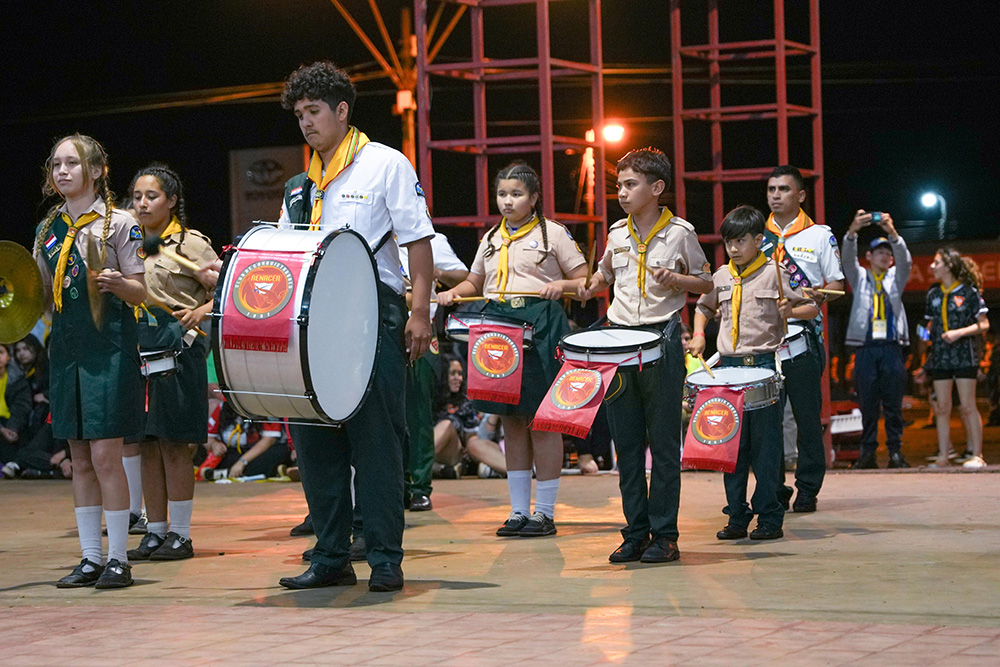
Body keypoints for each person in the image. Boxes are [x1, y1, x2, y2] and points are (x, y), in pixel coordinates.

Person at [276, 61, 434, 593]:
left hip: (373, 315)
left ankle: (386, 558)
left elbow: (418, 242)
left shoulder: (384, 164)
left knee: (376, 442)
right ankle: (330, 557)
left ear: (342, 110)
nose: (306, 122)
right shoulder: (300, 186)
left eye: (313, 111)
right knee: (315, 440)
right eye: (299, 114)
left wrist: (419, 314)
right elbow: (286, 254)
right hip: (311, 324)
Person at [437, 161, 588, 538]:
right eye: (502, 194)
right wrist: (454, 293)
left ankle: (545, 513)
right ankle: (519, 511)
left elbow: (585, 280)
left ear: (534, 198)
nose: (507, 201)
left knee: (543, 421)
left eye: (516, 194)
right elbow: (475, 282)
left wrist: (561, 287)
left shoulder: (554, 234)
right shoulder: (491, 237)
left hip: (541, 326)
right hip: (497, 329)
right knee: (511, 420)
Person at [578, 147, 712, 563]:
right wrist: (591, 283)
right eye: (619, 185)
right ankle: (635, 533)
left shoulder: (681, 233)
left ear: (656, 188)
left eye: (630, 184)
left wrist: (678, 279)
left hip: (661, 339)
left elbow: (706, 283)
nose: (621, 192)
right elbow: (605, 274)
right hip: (619, 341)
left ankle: (665, 535)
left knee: (664, 442)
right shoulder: (617, 233)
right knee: (627, 441)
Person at [33, 134, 146, 588]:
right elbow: (43, 295)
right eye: (56, 164)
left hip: (109, 348)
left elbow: (141, 290)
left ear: (97, 171)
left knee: (104, 456)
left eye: (72, 163)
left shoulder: (120, 223)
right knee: (78, 458)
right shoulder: (48, 229)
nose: (62, 171)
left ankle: (119, 559)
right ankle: (90, 558)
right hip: (66, 350)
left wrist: (119, 284)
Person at [690, 205, 818, 541]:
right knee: (730, 449)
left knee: (765, 450)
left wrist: (792, 310)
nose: (733, 248)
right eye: (728, 242)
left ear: (759, 240)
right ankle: (736, 516)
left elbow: (811, 306)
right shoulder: (721, 276)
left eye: (740, 241)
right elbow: (703, 307)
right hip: (728, 370)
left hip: (761, 367)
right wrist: (699, 333)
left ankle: (769, 517)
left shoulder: (776, 273)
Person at [126, 164, 218, 562]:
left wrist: (200, 313)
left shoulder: (192, 245)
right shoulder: (129, 243)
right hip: (138, 350)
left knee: (175, 444)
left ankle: (180, 535)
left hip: (180, 351)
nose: (143, 204)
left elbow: (232, 290)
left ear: (172, 201)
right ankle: (155, 531)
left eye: (152, 196)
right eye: (137, 197)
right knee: (146, 444)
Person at [762, 165, 844, 513]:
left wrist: (819, 293)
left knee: (807, 419)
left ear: (801, 195)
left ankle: (808, 487)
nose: (775, 196)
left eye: (783, 189)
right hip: (764, 341)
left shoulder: (819, 235)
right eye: (771, 189)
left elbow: (837, 284)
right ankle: (773, 488)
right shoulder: (756, 235)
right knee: (767, 422)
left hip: (802, 336)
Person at [399, 232, 469, 511]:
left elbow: (465, 277)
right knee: (385, 415)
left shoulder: (431, 239)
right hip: (381, 331)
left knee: (419, 415)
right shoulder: (372, 234)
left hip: (420, 334)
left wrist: (435, 272)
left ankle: (419, 486)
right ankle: (394, 485)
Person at [842, 212, 912, 469]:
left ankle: (895, 452)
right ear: (869, 256)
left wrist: (892, 233)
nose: (885, 256)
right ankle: (867, 453)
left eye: (888, 253)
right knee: (868, 404)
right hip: (866, 348)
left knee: (893, 403)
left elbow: (905, 260)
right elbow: (847, 259)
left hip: (891, 348)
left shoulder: (896, 278)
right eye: (879, 252)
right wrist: (852, 232)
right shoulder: (860, 277)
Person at [925, 249, 989, 468]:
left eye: (936, 263)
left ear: (949, 266)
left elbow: (984, 324)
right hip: (941, 356)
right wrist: (926, 349)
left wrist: (959, 333)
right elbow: (930, 326)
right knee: (942, 407)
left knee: (967, 405)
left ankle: (977, 455)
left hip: (964, 355)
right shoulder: (933, 294)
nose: (932, 267)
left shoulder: (969, 293)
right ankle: (944, 456)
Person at [0, 344, 32, 469]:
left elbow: (22, 406)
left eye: (1, 352)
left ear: (8, 356)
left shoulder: (17, 379)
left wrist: (12, 428)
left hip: (10, 423)